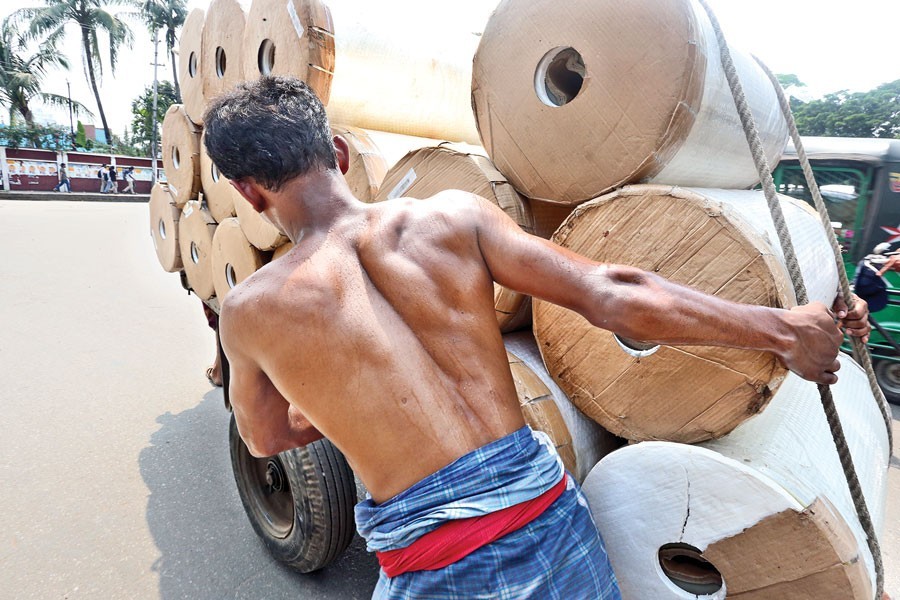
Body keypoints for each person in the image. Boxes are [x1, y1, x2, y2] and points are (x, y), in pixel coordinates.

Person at [203, 77, 870, 599]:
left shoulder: (251, 310)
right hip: (551, 521)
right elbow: (614, 295)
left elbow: (266, 439)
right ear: (339, 153)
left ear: (247, 193)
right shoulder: (454, 217)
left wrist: (348, 408)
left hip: (441, 564)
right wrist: (782, 329)